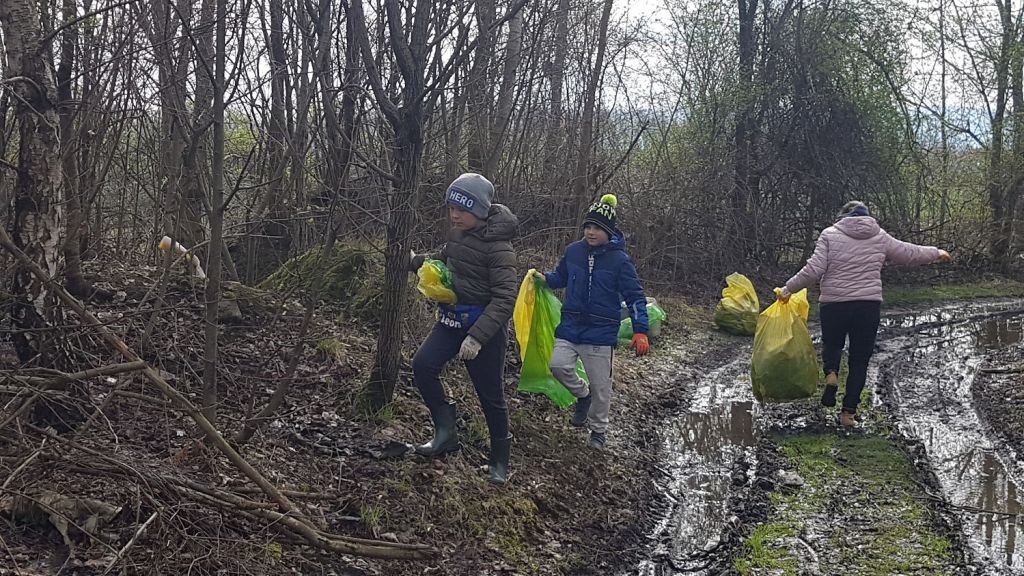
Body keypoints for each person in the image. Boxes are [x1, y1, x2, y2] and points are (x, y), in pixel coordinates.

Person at [779, 201, 952, 427]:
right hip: (867, 306)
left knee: (832, 345)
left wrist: (788, 289)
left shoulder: (830, 234)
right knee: (859, 360)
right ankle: (848, 414)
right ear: (867, 217)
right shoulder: (879, 236)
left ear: (842, 216)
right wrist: (936, 252)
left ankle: (831, 373)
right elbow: (909, 253)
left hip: (834, 304)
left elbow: (814, 269)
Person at [409, 173, 518, 485]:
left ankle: (500, 461)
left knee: (490, 396)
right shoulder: (457, 235)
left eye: (463, 208)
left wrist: (478, 337)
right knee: (423, 365)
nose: (455, 214)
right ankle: (446, 433)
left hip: (485, 331)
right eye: (452, 207)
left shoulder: (500, 249)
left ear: (481, 211)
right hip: (452, 320)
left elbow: (505, 298)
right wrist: (415, 262)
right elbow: (441, 261)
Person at [535, 194, 650, 450]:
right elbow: (561, 277)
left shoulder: (620, 261)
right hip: (571, 326)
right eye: (588, 226)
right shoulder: (573, 251)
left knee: (601, 387)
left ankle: (598, 431)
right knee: (558, 366)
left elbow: (635, 296)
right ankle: (581, 395)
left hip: (600, 332)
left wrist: (640, 330)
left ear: (608, 231)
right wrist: (545, 279)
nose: (590, 232)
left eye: (597, 228)